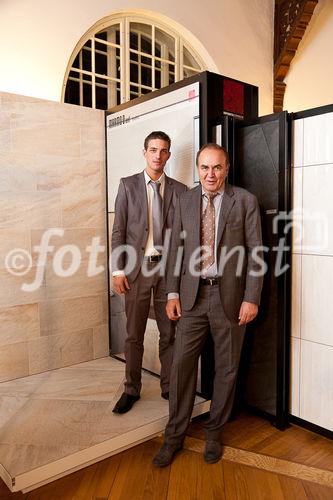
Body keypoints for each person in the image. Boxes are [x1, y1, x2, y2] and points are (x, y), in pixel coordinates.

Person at [153, 143, 263, 466]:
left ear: (226, 169)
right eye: (204, 167)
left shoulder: (244, 201)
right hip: (192, 298)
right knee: (181, 366)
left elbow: (256, 252)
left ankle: (214, 432)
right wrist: (171, 293)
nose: (210, 174)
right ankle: (174, 436)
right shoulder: (184, 200)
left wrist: (251, 297)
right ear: (197, 169)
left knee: (227, 370)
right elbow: (174, 250)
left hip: (230, 298)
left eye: (217, 168)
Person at [111, 131, 187, 414]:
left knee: (169, 333)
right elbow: (119, 230)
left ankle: (169, 386)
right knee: (134, 334)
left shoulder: (180, 191)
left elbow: (183, 236)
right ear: (144, 152)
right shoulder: (128, 186)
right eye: (153, 149)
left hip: (167, 271)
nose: (158, 155)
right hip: (136, 269)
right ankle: (131, 389)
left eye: (163, 150)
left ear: (169, 155)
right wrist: (118, 269)